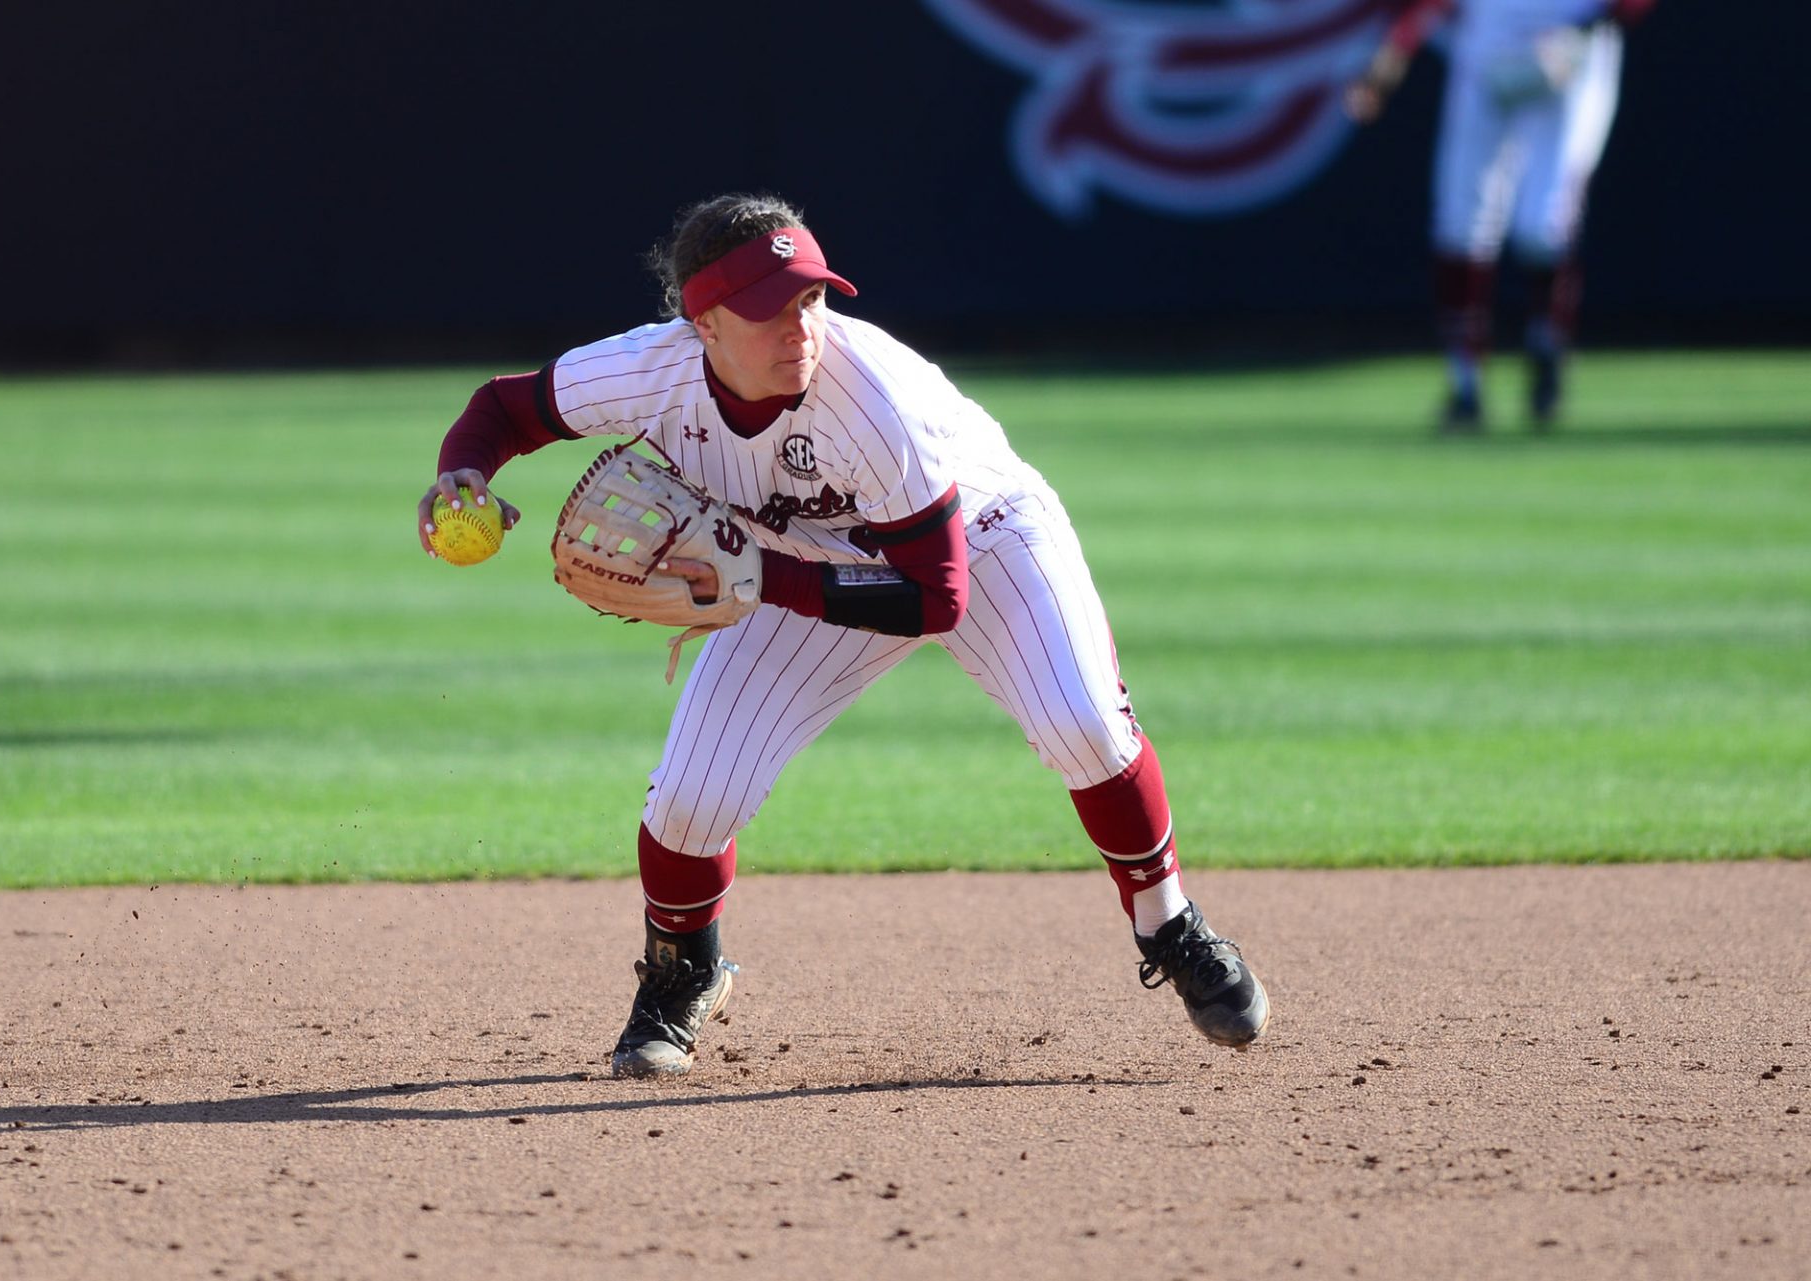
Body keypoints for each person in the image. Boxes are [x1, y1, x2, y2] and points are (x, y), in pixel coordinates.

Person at [415, 193, 1269, 1078]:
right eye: (768, 309)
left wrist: (756, 577)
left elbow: (937, 598)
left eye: (812, 299)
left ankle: (1169, 921)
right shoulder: (648, 373)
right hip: (802, 558)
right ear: (704, 324)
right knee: (689, 803)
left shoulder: (871, 401)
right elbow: (505, 408)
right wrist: (460, 475)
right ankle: (683, 972)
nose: (800, 327)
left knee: (1082, 724)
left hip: (982, 533)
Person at [1345, 0, 1655, 431]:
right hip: (1488, 49)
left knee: (1542, 226)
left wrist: (1597, 26)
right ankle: (1465, 382)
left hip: (1568, 47)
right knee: (1461, 226)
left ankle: (1548, 348)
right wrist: (1395, 50)